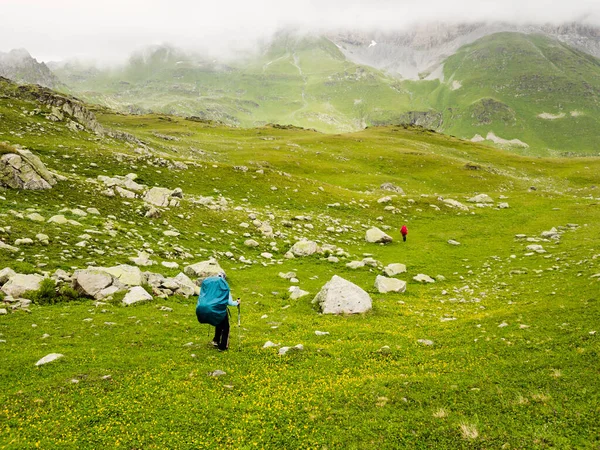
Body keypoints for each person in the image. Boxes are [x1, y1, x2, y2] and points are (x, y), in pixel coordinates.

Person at [195, 273, 240, 351]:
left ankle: (216, 340)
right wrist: (237, 302)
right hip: (219, 309)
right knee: (226, 327)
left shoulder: (210, 288)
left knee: (218, 323)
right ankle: (222, 346)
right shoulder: (224, 288)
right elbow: (229, 302)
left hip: (205, 308)